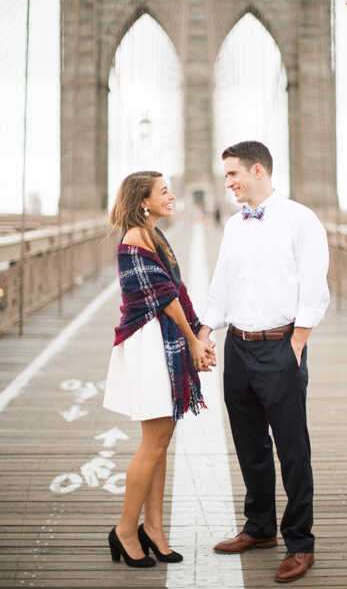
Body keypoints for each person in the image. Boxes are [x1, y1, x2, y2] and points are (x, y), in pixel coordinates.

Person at [197, 141, 330, 584]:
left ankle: (299, 542)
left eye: (233, 174)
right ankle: (259, 528)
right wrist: (206, 330)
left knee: (293, 449)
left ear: (258, 170)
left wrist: (299, 341)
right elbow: (222, 283)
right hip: (237, 347)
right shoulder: (235, 225)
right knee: (250, 445)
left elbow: (314, 284)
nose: (229, 183)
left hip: (280, 347)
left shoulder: (300, 219)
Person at [102, 171, 216, 568]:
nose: (172, 196)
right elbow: (167, 299)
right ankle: (125, 528)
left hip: (158, 343)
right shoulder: (135, 239)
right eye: (164, 192)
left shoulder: (154, 235)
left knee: (160, 440)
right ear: (143, 201)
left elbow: (177, 294)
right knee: (154, 441)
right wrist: (193, 340)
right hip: (148, 344)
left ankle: (154, 528)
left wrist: (200, 332)